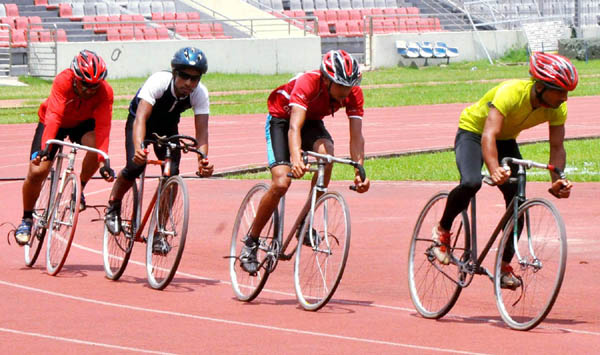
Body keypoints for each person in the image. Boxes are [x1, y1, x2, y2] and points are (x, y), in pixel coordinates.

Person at [432, 52, 577, 289]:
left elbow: (557, 146)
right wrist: (494, 168)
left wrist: (557, 178)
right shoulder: (510, 93)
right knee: (471, 183)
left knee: (518, 204)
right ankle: (443, 229)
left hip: (505, 139)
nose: (565, 98)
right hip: (473, 132)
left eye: (567, 92)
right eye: (560, 91)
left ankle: (503, 266)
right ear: (540, 87)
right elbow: (488, 134)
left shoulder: (557, 108)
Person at [240, 49, 371, 274]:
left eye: (350, 87)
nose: (346, 93)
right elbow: (294, 127)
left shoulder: (352, 92)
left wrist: (360, 168)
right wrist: (297, 158)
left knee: (327, 154)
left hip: (311, 121)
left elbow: (356, 136)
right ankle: (251, 241)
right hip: (282, 119)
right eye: (341, 87)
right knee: (281, 183)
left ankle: (305, 221)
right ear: (327, 81)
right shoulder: (308, 82)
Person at [104, 47, 213, 247]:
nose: (189, 83)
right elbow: (141, 118)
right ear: (174, 74)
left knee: (172, 174)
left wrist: (203, 159)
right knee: (136, 166)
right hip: (140, 122)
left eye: (195, 78)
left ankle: (159, 232)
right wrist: (138, 148)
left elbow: (202, 133)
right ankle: (113, 205)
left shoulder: (200, 93)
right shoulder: (159, 81)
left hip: (168, 126)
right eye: (184, 77)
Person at [15, 49, 115, 246]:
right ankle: (26, 219)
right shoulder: (63, 81)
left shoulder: (105, 92)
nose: (90, 90)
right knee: (38, 171)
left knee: (96, 152)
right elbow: (54, 116)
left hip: (83, 124)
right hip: (55, 123)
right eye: (85, 84)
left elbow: (103, 127)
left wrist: (104, 161)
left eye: (95, 85)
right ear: (76, 77)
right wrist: (45, 148)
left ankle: (79, 191)